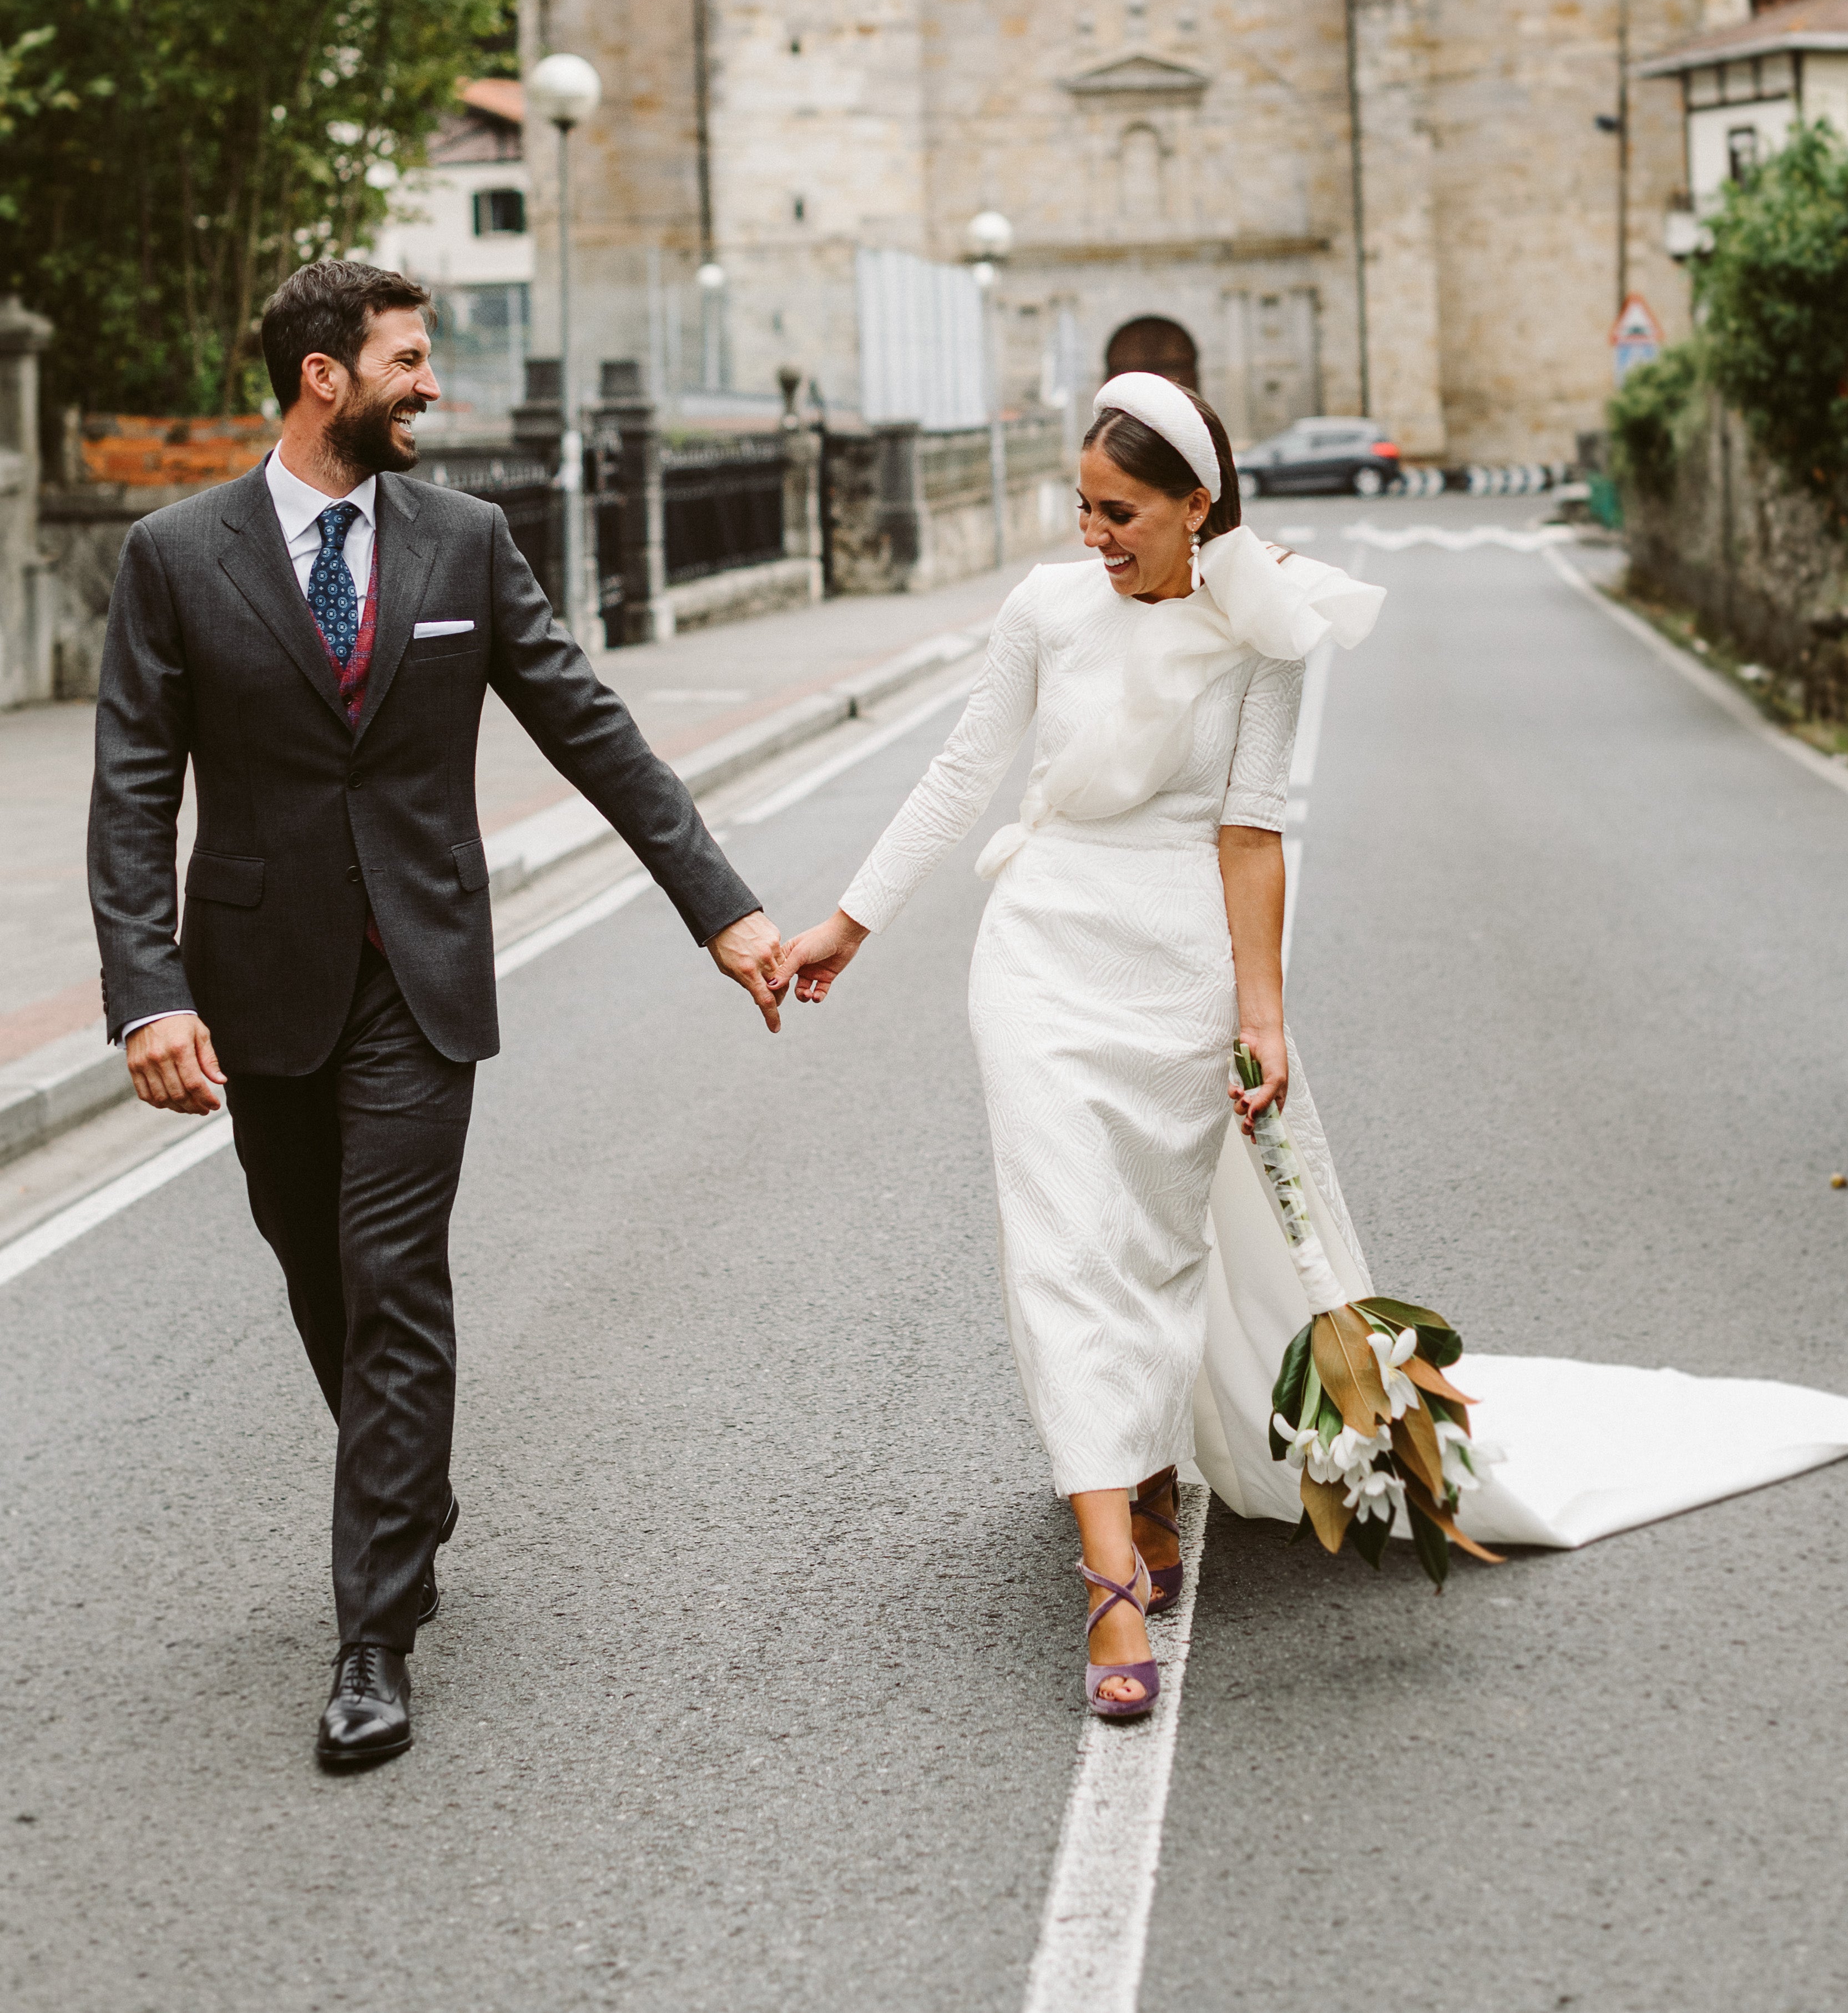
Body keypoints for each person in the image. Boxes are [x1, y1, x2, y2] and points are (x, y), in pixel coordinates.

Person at [89, 261, 786, 1771]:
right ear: (324, 376)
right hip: (259, 980)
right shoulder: (174, 553)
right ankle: (404, 1486)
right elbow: (134, 786)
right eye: (408, 359)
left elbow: (590, 725)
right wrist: (146, 991)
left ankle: (371, 1636)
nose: (431, 385)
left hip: (421, 971)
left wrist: (721, 908)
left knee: (391, 1270)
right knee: (317, 1274)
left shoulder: (465, 541)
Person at [774, 371, 1384, 1716]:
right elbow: (960, 771)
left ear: (1195, 507)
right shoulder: (1044, 609)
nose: (1095, 535)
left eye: (1121, 513)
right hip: (1042, 949)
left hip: (1178, 963)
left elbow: (1251, 829)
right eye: (1083, 508)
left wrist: (1263, 1012)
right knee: (1061, 1237)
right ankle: (1111, 1578)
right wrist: (850, 922)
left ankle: (1147, 1466)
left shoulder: (1263, 628)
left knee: (1152, 1252)